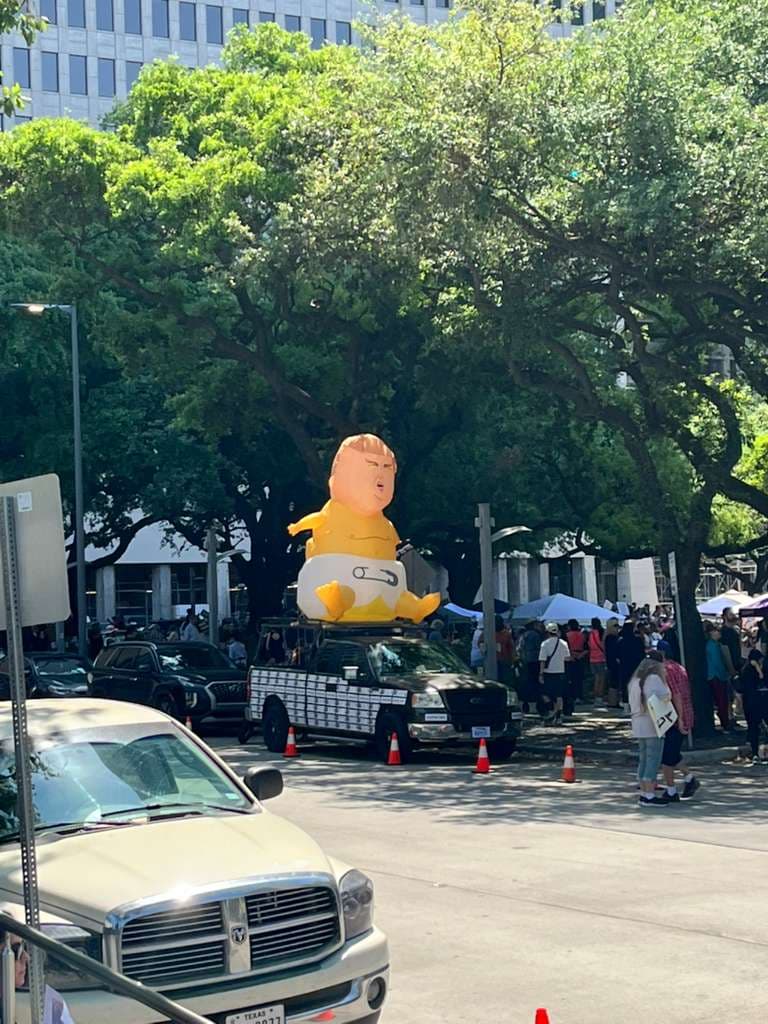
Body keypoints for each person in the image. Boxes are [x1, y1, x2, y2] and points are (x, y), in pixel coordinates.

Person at [657, 641, 699, 800]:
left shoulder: (665, 670)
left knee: (667, 757)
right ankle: (689, 778)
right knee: (672, 753)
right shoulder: (679, 667)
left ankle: (671, 790)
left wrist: (679, 719)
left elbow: (676, 695)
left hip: (673, 717)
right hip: (685, 713)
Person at [629, 655, 672, 806]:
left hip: (637, 722)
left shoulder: (634, 681)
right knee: (653, 758)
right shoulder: (654, 679)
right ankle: (649, 793)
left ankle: (643, 791)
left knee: (644, 757)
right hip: (653, 722)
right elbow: (666, 696)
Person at [739, 649, 768, 763]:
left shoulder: (763, 668)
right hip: (753, 703)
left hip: (760, 702)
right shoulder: (747, 671)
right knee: (753, 728)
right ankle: (755, 753)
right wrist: (757, 669)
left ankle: (760, 752)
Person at [539, 621, 570, 725]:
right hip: (561, 671)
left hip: (548, 672)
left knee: (544, 693)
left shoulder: (544, 644)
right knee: (559, 695)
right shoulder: (563, 643)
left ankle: (552, 709)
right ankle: (558, 715)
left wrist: (541, 673)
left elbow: (542, 660)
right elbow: (567, 658)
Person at [704, 621, 732, 730]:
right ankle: (725, 723)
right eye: (717, 631)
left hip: (715, 675)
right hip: (716, 676)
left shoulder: (713, 645)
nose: (719, 633)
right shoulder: (712, 646)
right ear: (712, 632)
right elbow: (717, 663)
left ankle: (725, 721)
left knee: (722, 701)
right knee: (722, 701)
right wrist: (725, 674)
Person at [617, 621, 645, 708]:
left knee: (625, 685)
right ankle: (637, 704)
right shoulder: (638, 640)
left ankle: (626, 705)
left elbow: (617, 655)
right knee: (637, 685)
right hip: (636, 665)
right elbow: (642, 653)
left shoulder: (620, 641)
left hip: (624, 665)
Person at [565, 619, 588, 714]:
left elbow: (566, 647)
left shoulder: (566, 635)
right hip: (580, 657)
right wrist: (580, 655)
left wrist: (571, 655)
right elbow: (587, 648)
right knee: (579, 678)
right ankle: (579, 696)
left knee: (570, 678)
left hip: (570, 657)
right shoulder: (582, 635)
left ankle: (572, 696)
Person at [588, 618, 607, 702]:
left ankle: (596, 695)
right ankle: (600, 695)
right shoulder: (602, 632)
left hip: (592, 657)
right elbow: (603, 644)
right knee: (602, 677)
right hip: (601, 657)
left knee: (596, 677)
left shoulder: (590, 633)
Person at [604, 618, 621, 708]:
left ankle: (614, 701)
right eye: (615, 626)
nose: (617, 628)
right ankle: (612, 702)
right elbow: (611, 652)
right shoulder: (610, 638)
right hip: (613, 663)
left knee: (615, 682)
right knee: (613, 683)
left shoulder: (612, 637)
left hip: (613, 662)